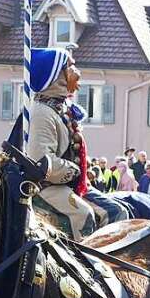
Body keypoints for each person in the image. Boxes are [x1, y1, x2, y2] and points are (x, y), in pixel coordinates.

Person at [24, 47, 97, 239]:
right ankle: (84, 268)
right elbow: (40, 161)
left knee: (117, 210)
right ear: (57, 74)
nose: (77, 71)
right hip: (45, 188)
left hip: (67, 185)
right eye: (71, 65)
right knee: (84, 215)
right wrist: (75, 171)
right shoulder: (42, 112)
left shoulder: (61, 108)